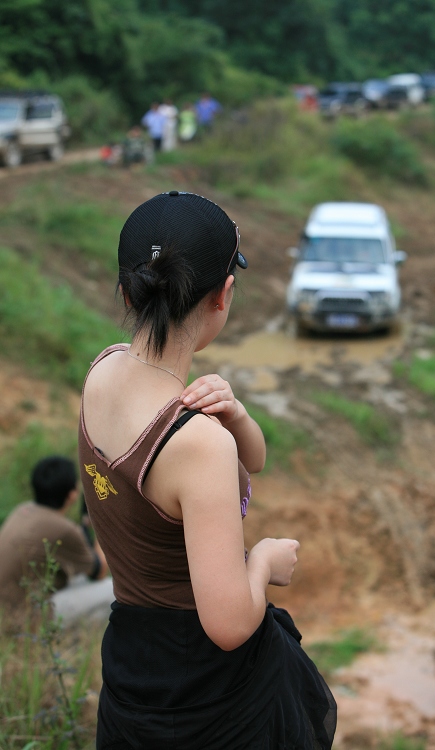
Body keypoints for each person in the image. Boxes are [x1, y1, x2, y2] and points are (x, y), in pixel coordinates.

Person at [78, 191, 337, 749]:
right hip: (205, 694)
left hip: (132, 664)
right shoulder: (196, 444)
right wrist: (264, 558)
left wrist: (235, 413)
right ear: (223, 295)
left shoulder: (100, 373)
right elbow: (229, 626)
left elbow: (256, 460)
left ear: (126, 290)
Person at [0, 456, 109, 627]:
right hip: (25, 618)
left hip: (7, 609)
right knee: (114, 590)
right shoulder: (63, 529)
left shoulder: (23, 509)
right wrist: (100, 519)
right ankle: (73, 639)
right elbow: (99, 571)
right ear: (72, 495)